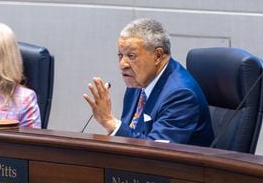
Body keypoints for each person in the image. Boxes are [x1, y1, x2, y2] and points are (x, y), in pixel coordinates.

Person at [83, 18, 214, 146]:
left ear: (157, 56)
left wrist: (109, 122)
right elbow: (132, 133)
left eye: (131, 56)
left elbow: (157, 154)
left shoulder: (181, 95)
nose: (122, 64)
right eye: (120, 55)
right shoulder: (137, 83)